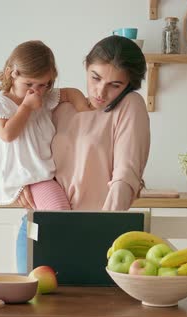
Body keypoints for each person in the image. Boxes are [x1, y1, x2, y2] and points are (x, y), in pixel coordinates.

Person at [15, 35, 151, 272]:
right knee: (30, 309)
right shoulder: (58, 104)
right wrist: (18, 183)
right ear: (86, 67)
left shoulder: (130, 106)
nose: (100, 91)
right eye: (95, 78)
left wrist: (102, 235)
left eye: (115, 85)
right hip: (38, 229)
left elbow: (125, 176)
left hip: (95, 235)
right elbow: (19, 146)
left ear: (130, 85)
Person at [0, 40, 91, 210]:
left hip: (43, 175)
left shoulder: (43, 98)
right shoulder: (3, 103)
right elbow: (6, 134)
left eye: (42, 85)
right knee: (60, 213)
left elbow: (71, 93)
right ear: (12, 74)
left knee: (37, 223)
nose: (36, 91)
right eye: (29, 84)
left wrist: (86, 114)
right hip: (28, 178)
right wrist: (26, 107)